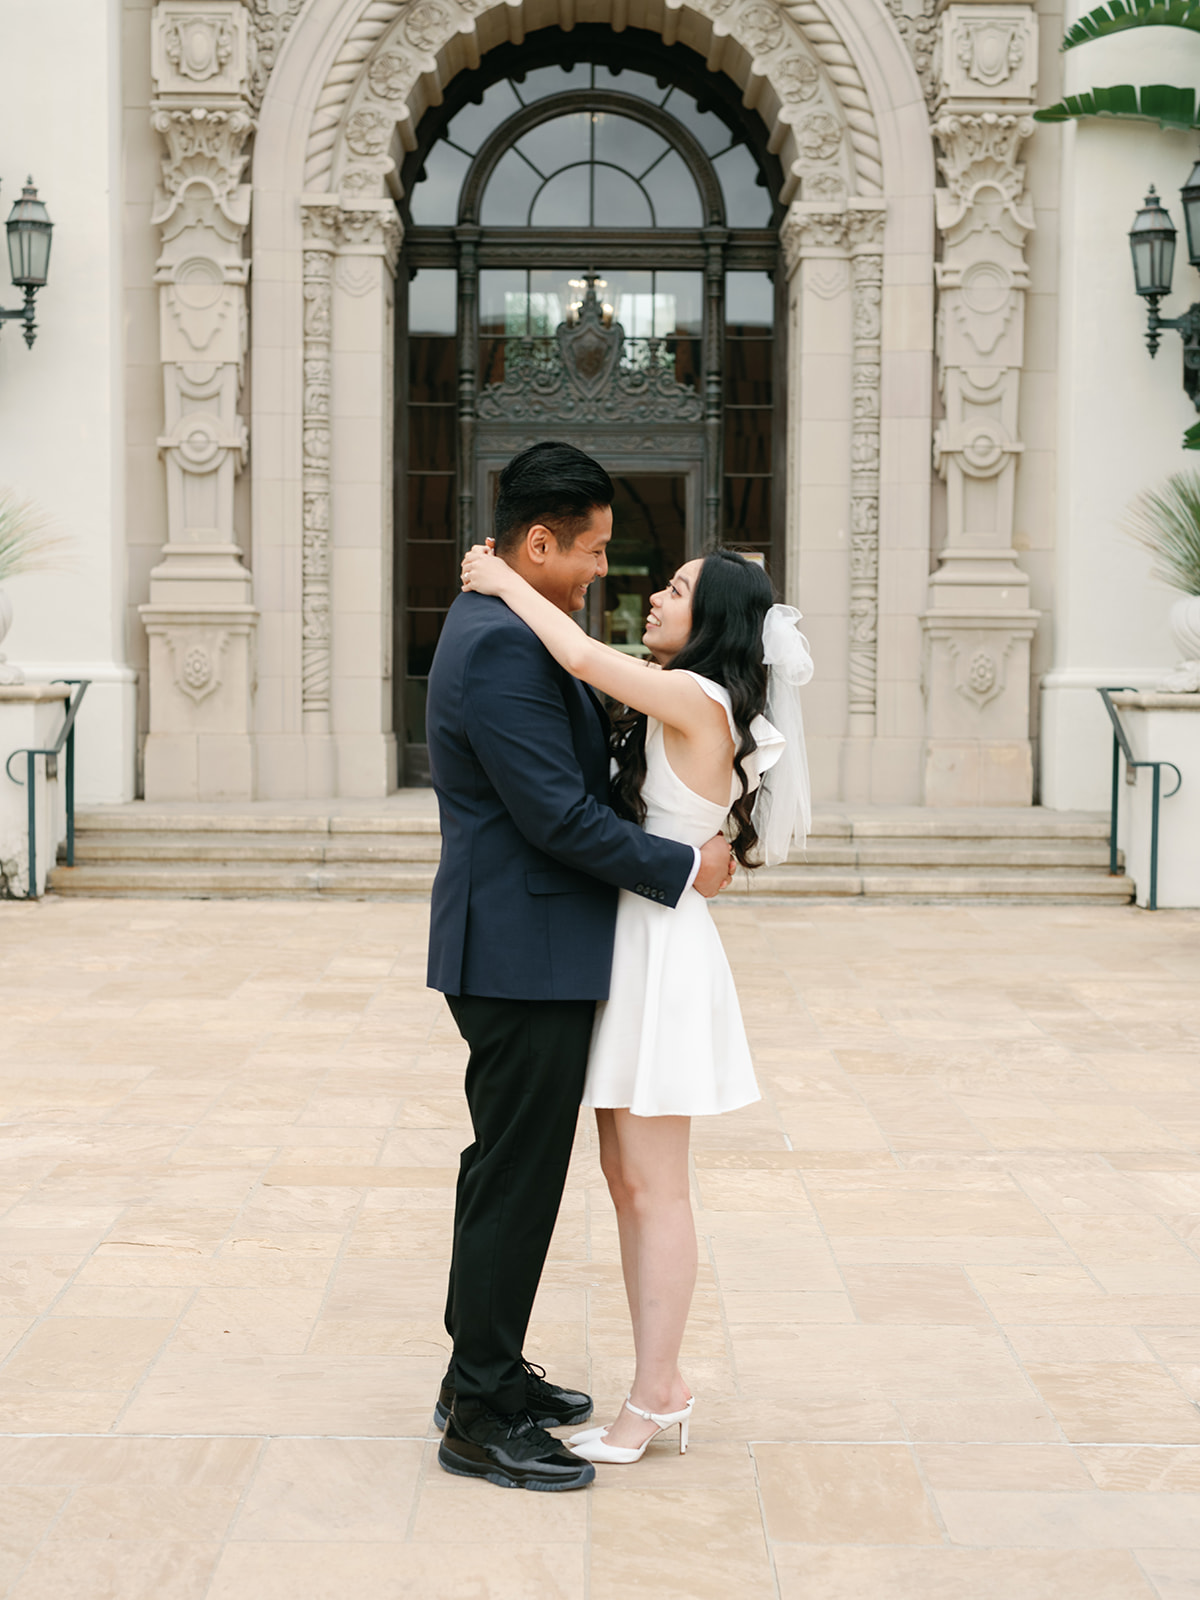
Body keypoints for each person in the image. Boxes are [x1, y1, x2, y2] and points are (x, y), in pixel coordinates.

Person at [460, 537, 813, 1466]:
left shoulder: (697, 697)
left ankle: (658, 1392)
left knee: (655, 1188)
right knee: (628, 1183)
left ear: (719, 624)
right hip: (635, 937)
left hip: (660, 949)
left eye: (679, 589)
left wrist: (502, 582)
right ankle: (658, 1382)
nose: (653, 596)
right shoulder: (679, 695)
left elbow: (579, 656)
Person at [425, 440, 736, 1494]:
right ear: (539, 541)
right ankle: (479, 1412)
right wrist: (684, 868)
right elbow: (556, 816)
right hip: (521, 951)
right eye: (592, 550)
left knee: (504, 1168)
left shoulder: (517, 624)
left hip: (533, 945)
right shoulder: (503, 645)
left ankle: (491, 1368)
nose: (605, 568)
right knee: (517, 1177)